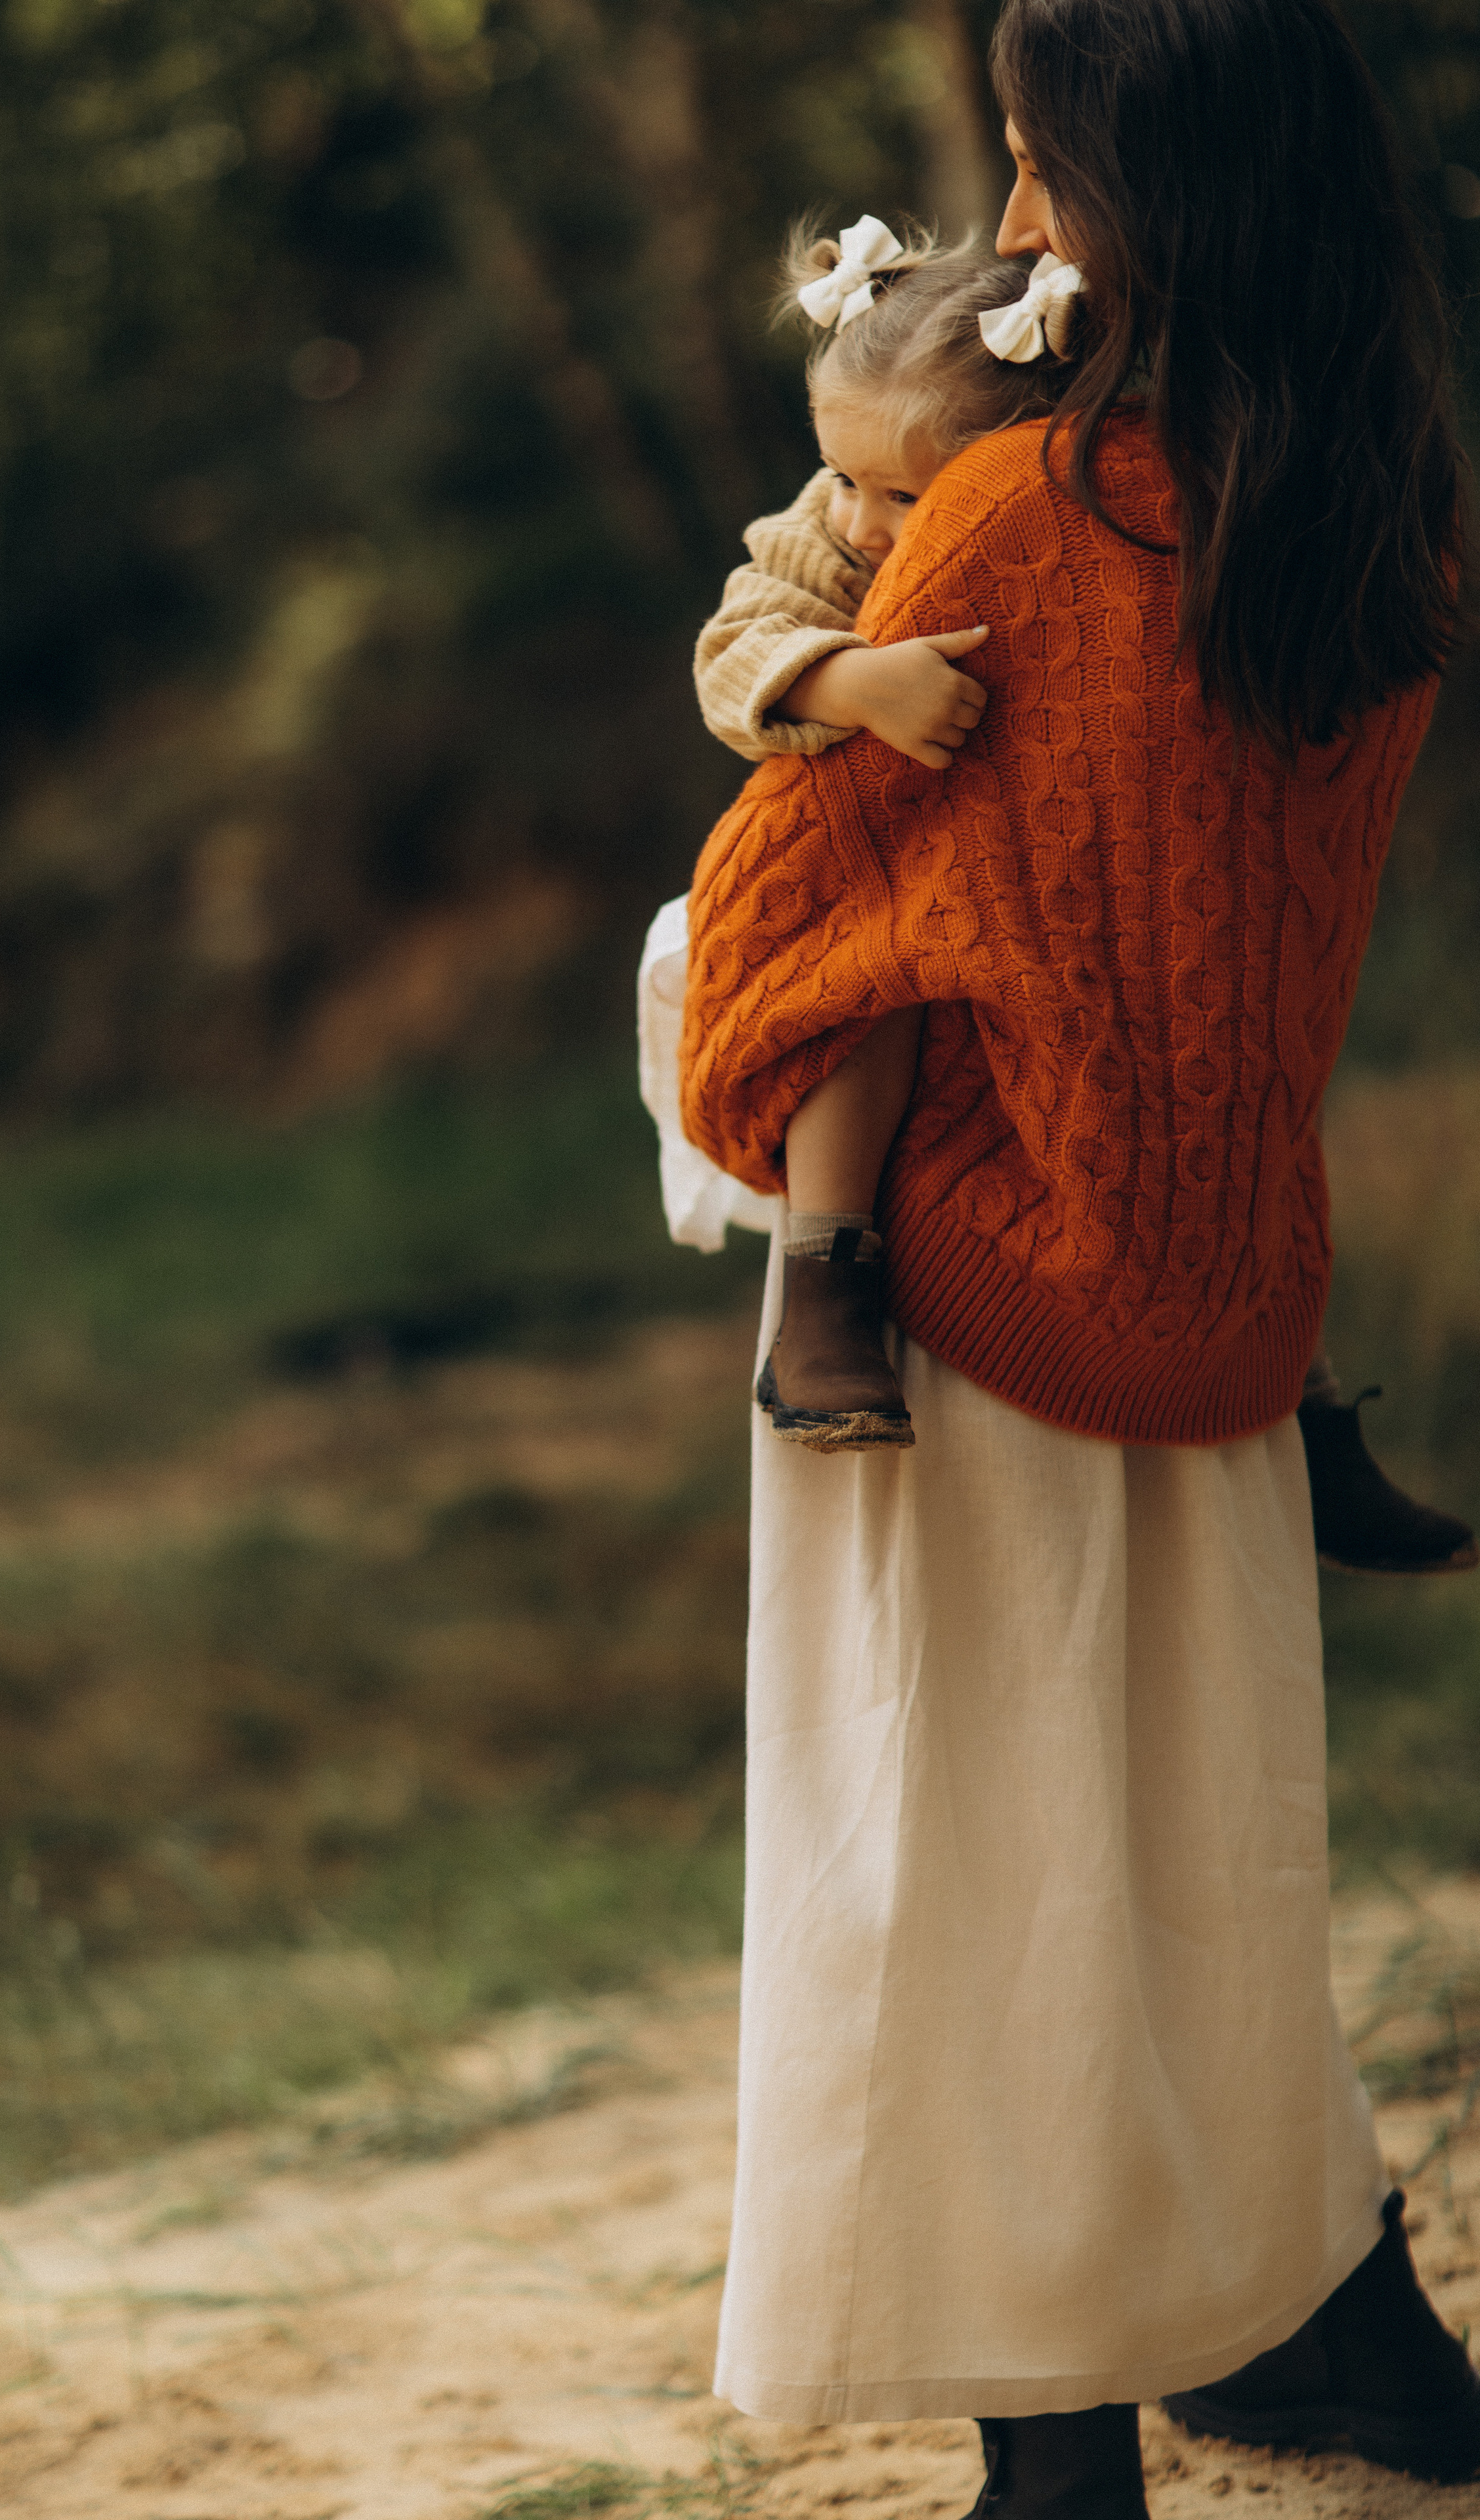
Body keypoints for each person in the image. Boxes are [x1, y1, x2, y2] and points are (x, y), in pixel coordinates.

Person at [675, 1, 1480, 2511]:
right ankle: (1324, 2326)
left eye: (1038, 171)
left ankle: (1058, 2459)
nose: (1012, 228)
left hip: (976, 1306)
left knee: (982, 1864)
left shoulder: (1030, 524)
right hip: (1228, 1288)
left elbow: (782, 930)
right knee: (1197, 1852)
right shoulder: (1378, 513)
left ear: (1141, 195)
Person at [690, 209, 1477, 1574]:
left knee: (1236, 1066)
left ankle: (1303, 1409)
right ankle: (828, 1274)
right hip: (890, 881)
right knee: (870, 989)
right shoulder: (825, 533)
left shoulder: (1077, 521)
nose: (874, 526)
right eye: (849, 485)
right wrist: (842, 679)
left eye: (908, 497)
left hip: (1060, 896)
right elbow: (733, 647)